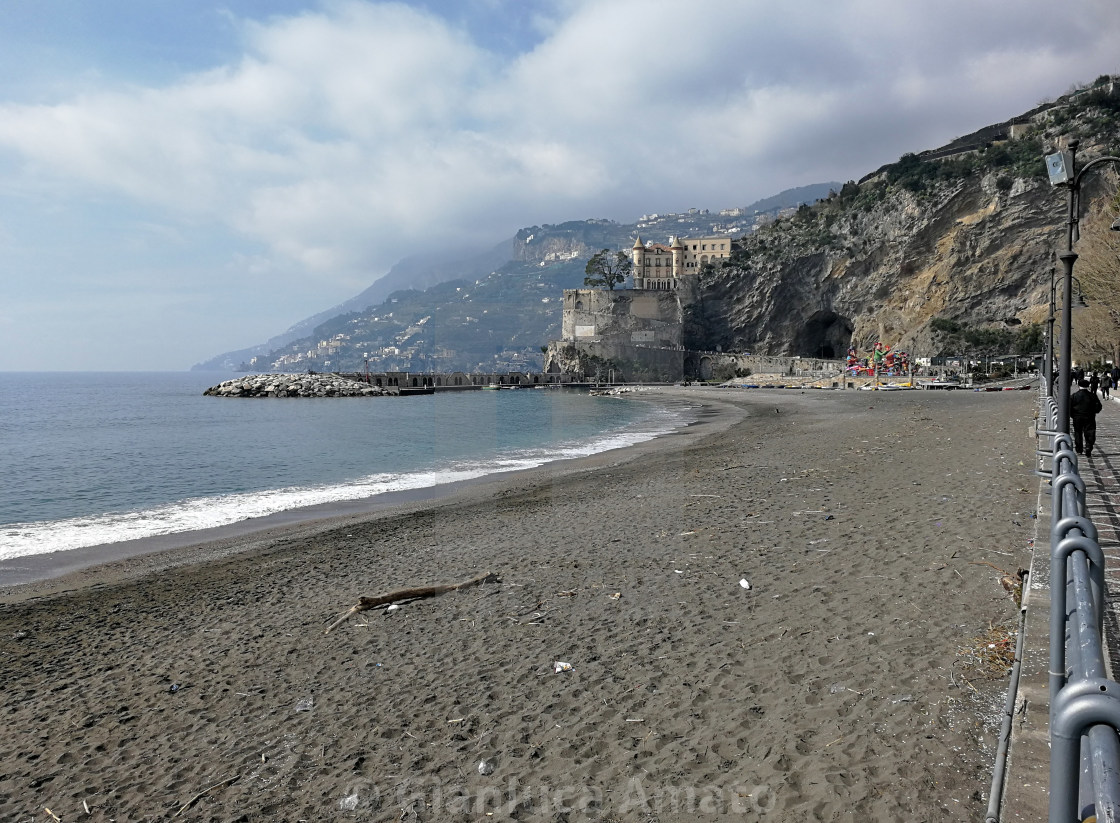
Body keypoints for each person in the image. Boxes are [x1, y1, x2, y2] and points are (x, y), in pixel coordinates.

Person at [1071, 378, 1104, 457]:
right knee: (1090, 432)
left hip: (1077, 416)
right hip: (1089, 416)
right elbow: (1099, 406)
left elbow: (1069, 407)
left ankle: (1079, 449)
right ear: (1088, 386)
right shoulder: (1092, 395)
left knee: (1078, 432)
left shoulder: (1074, 396)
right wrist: (1094, 412)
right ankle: (1088, 446)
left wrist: (1073, 415)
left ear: (1079, 386)